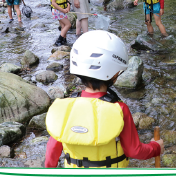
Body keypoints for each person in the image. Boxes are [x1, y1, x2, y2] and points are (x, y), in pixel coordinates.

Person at [44, 30, 163, 168]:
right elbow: (134, 150)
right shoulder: (120, 109)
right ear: (113, 73)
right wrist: (156, 148)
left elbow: (52, 152)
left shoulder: (64, 109)